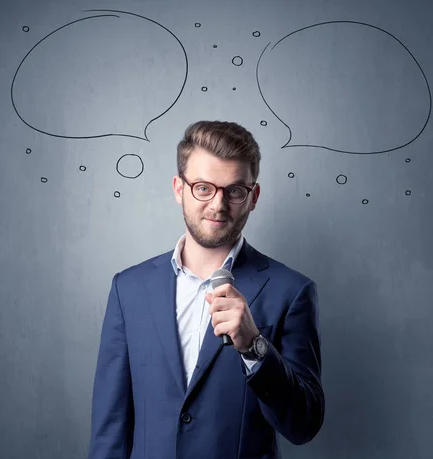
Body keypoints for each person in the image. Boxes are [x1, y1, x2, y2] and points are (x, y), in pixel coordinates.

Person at [88, 121, 324, 459]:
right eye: (203, 188)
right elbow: (109, 429)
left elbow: (304, 425)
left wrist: (255, 347)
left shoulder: (292, 291)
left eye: (234, 191)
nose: (217, 205)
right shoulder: (129, 289)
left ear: (252, 197)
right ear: (178, 189)